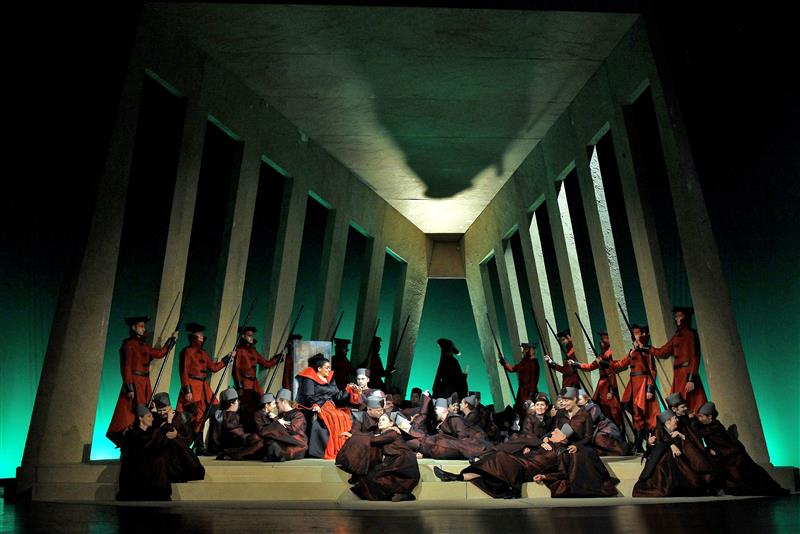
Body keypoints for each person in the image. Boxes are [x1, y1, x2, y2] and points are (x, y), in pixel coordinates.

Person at [107, 316, 178, 447]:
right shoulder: (128, 344)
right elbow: (126, 366)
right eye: (141, 326)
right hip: (135, 383)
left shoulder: (144, 346)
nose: (144, 329)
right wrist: (129, 386)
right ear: (133, 327)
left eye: (144, 326)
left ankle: (141, 441)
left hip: (144, 383)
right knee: (130, 414)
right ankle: (129, 442)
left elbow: (160, 353)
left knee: (144, 412)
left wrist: (171, 340)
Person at [692, 402, 788, 496]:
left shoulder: (715, 426)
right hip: (729, 457)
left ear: (710, 416)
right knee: (747, 476)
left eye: (701, 416)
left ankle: (775, 490)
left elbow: (699, 431)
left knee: (753, 474)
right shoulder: (710, 426)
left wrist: (692, 419)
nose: (700, 419)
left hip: (735, 456)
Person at [175, 322, 231, 453]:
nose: (202, 335)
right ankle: (194, 444)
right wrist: (187, 390)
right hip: (193, 388)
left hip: (204, 389)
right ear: (194, 335)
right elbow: (183, 371)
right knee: (193, 416)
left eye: (202, 333)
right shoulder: (187, 351)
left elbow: (213, 368)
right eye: (199, 333)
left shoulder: (203, 353)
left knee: (208, 411)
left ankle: (199, 444)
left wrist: (226, 359)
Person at [633, 409, 715, 497]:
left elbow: (689, 445)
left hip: (680, 462)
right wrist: (669, 445)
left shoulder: (678, 431)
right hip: (663, 465)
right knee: (666, 459)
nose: (677, 420)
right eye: (674, 418)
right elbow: (656, 448)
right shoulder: (658, 432)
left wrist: (682, 437)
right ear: (668, 421)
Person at [345, 413, 421, 501]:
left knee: (374, 476)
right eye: (379, 420)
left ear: (391, 423)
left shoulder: (392, 433)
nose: (380, 422)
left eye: (383, 420)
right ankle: (397, 494)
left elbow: (373, 440)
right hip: (395, 460)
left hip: (402, 461)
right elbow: (374, 437)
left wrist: (353, 436)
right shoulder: (386, 434)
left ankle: (401, 494)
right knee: (372, 476)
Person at [610, 324, 660, 453]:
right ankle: (638, 445)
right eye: (634, 333)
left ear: (643, 334)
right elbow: (621, 363)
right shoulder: (633, 351)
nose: (635, 335)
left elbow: (652, 370)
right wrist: (606, 363)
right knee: (637, 415)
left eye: (637, 332)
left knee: (647, 415)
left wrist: (649, 388)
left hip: (643, 385)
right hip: (633, 386)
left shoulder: (646, 351)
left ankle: (650, 444)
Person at [296, 353, 355, 459]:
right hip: (319, 406)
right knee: (334, 416)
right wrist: (314, 405)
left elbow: (337, 396)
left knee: (344, 416)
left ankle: (343, 447)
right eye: (327, 368)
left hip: (331, 405)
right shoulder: (309, 378)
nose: (329, 370)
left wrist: (347, 390)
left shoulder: (330, 379)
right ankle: (332, 448)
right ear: (319, 368)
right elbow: (308, 396)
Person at [650, 306, 708, 413]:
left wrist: (691, 379)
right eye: (676, 316)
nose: (677, 318)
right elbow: (662, 351)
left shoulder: (691, 334)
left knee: (692, 405)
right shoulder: (676, 337)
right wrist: (646, 348)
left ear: (686, 317)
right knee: (677, 405)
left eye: (680, 316)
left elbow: (695, 356)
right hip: (678, 376)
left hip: (687, 374)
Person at [116, 404, 173, 501]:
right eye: (149, 416)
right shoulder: (131, 434)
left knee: (160, 460)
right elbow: (145, 448)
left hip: (148, 467)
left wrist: (170, 423)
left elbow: (161, 443)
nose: (152, 419)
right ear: (140, 418)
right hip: (137, 469)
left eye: (152, 416)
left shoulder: (152, 432)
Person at [233, 326, 280, 431]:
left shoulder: (254, 351)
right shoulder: (239, 350)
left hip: (254, 384)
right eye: (249, 335)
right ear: (243, 336)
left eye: (252, 336)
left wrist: (276, 359)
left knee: (258, 406)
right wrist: (239, 386)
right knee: (245, 408)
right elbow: (236, 369)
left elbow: (265, 363)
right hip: (245, 384)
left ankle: (255, 429)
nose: (251, 338)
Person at [572, 332, 623, 428]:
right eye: (601, 339)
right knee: (603, 409)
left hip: (609, 385)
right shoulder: (601, 356)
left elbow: (613, 371)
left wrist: (611, 390)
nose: (601, 342)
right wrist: (577, 364)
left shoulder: (610, 354)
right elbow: (590, 366)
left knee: (614, 410)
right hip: (602, 386)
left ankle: (618, 429)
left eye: (604, 339)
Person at [151, 392, 205, 482]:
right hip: (161, 450)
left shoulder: (181, 417)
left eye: (164, 410)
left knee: (175, 441)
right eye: (159, 410)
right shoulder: (154, 418)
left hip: (178, 450)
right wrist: (169, 421)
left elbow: (188, 439)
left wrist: (177, 435)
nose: (162, 413)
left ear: (170, 407)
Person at [256, 389, 309, 462]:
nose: (276, 406)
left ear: (284, 402)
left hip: (296, 445)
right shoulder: (281, 415)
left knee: (278, 448)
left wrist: (277, 420)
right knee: (269, 443)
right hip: (283, 443)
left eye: (277, 403)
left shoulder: (298, 415)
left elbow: (292, 430)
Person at [215, 388, 264, 460]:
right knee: (260, 443)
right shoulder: (229, 416)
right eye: (237, 400)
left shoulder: (223, 414)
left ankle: (234, 454)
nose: (239, 402)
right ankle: (235, 454)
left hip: (238, 441)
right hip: (234, 442)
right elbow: (235, 432)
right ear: (232, 403)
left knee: (259, 441)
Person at [578, 390, 630, 456]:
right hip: (594, 430)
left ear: (586, 399)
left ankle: (622, 449)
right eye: (577, 400)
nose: (578, 401)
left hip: (604, 427)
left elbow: (591, 420)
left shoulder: (594, 407)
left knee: (599, 438)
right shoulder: (580, 410)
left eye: (580, 399)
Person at [499, 342, 541, 412]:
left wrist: (531, 393)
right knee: (520, 410)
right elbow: (512, 369)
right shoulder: (523, 362)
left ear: (530, 351)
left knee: (527, 410)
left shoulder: (534, 363)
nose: (523, 351)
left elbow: (534, 379)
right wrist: (503, 361)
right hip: (521, 391)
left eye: (525, 349)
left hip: (529, 392)